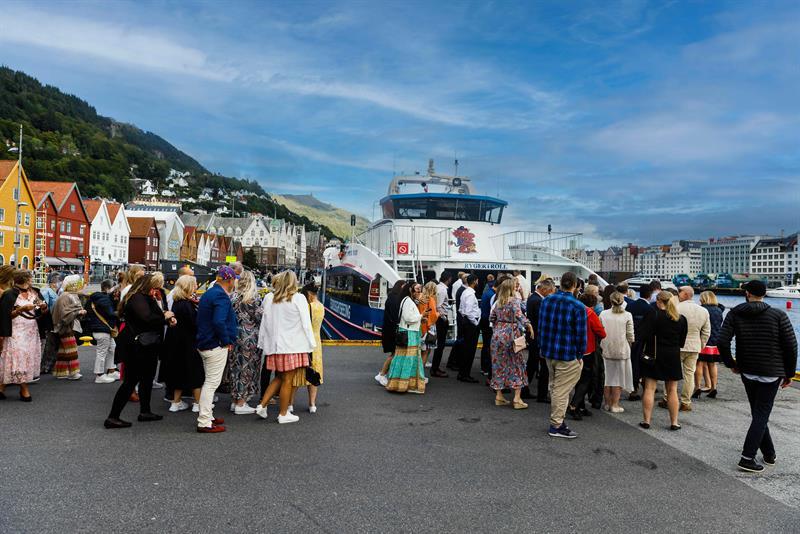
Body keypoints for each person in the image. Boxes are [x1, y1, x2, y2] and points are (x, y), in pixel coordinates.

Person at [718, 280, 798, 473]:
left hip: (747, 370)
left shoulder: (735, 313)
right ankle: (747, 457)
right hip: (771, 371)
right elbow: (791, 346)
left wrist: (731, 363)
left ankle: (769, 453)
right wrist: (788, 373)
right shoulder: (778, 315)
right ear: (764, 293)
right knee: (761, 414)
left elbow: (722, 341)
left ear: (747, 293)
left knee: (758, 413)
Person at [105, 274, 177, 429]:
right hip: (137, 346)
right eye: (155, 286)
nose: (156, 290)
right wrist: (165, 316)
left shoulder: (145, 297)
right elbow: (147, 318)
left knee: (147, 379)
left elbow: (153, 317)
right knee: (131, 381)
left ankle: (145, 411)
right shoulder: (137, 298)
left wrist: (166, 318)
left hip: (147, 345)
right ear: (147, 285)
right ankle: (113, 416)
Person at [256, 270, 315, 423]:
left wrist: (263, 343)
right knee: (288, 380)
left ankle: (262, 405)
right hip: (293, 346)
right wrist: (311, 344)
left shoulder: (269, 298)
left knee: (280, 378)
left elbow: (264, 323)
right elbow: (306, 323)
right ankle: (283, 414)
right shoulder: (299, 298)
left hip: (275, 346)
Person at [538, 272, 586, 439]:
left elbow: (541, 326)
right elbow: (581, 335)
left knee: (555, 387)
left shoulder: (546, 300)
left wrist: (542, 348)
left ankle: (558, 421)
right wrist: (580, 354)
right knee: (561, 390)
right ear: (575, 285)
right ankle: (556, 424)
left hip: (549, 352)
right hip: (567, 354)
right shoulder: (578, 306)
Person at [195, 266, 239, 432]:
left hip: (205, 342)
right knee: (212, 383)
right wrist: (226, 340)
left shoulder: (210, 293)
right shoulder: (221, 296)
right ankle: (204, 421)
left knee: (209, 381)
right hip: (215, 344)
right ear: (230, 280)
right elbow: (218, 321)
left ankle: (208, 415)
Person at [639, 291, 688, 431]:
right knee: (672, 390)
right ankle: (674, 422)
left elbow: (643, 335)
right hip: (672, 355)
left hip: (653, 354)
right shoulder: (681, 319)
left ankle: (646, 420)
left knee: (649, 388)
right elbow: (682, 341)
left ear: (659, 301)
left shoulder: (653, 315)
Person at [0, 270, 46, 401]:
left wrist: (43, 307)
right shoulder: (9, 294)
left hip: (31, 330)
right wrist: (20, 310)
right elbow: (5, 315)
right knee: (17, 359)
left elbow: (42, 311)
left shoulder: (34, 292)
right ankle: (24, 389)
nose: (32, 280)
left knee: (26, 359)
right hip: (16, 331)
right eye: (30, 278)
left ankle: (1, 387)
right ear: (25, 280)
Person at [162, 275, 203, 413]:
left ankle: (176, 402)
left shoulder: (177, 302)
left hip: (176, 343)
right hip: (188, 343)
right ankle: (198, 403)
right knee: (195, 373)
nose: (197, 286)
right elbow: (194, 324)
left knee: (178, 373)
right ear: (189, 287)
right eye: (195, 284)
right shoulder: (187, 304)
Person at [489, 278, 533, 408]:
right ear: (511, 288)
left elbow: (491, 318)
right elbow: (520, 315)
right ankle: (517, 399)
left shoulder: (498, 303)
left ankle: (499, 396)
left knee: (498, 365)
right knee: (517, 364)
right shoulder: (514, 301)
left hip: (497, 336)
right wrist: (528, 325)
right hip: (511, 335)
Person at [664, 286, 710, 412]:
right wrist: (701, 345)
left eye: (679, 293)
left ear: (684, 294)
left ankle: (667, 397)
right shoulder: (703, 311)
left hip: (677, 345)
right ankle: (686, 401)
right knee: (689, 374)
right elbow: (706, 332)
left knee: (671, 373)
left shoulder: (676, 309)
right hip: (694, 345)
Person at [229, 270, 263, 414]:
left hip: (234, 335)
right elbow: (260, 318)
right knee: (247, 369)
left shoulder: (233, 297)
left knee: (235, 368)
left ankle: (235, 400)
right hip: (249, 337)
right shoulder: (253, 298)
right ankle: (241, 404)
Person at [568, 292, 606, 420]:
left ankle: (581, 406)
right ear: (593, 304)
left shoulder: (572, 310)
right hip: (587, 350)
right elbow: (602, 332)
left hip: (572, 348)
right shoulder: (590, 313)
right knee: (585, 380)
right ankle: (574, 405)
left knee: (577, 379)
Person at [384, 282, 425, 393]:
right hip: (409, 332)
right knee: (408, 360)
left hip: (408, 331)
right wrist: (421, 316)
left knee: (403, 358)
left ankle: (400, 384)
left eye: (420, 289)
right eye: (417, 289)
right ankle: (406, 385)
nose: (419, 292)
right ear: (410, 290)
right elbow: (408, 318)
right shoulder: (407, 301)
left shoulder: (407, 300)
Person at [290, 283, 325, 412]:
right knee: (314, 373)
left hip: (304, 343)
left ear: (309, 294)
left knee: (297, 375)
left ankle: (290, 404)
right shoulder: (321, 307)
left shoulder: (306, 307)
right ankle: (312, 404)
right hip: (317, 343)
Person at [599, 292, 635, 413]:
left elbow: (599, 331)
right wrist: (630, 344)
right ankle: (615, 404)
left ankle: (607, 403)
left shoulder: (603, 314)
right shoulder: (627, 315)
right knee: (618, 379)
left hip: (606, 348)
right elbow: (630, 335)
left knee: (607, 377)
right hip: (622, 349)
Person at [523, 278, 556, 402]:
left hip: (534, 336)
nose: (551, 294)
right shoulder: (538, 301)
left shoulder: (534, 298)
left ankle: (525, 389)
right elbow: (542, 320)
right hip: (538, 337)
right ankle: (540, 394)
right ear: (544, 289)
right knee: (541, 366)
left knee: (532, 364)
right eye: (551, 291)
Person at [51, 274, 87, 380]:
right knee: (72, 349)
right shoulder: (66, 296)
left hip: (67, 326)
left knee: (64, 350)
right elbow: (64, 314)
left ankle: (61, 372)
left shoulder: (67, 295)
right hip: (65, 327)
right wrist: (78, 312)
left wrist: (77, 312)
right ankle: (73, 373)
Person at [625, 284, 656, 401]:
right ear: (650, 295)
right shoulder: (650, 309)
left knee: (633, 363)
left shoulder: (630, 306)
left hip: (632, 339)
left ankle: (633, 388)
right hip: (645, 341)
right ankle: (645, 386)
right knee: (644, 363)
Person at [86, 279, 119, 384]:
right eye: (113, 287)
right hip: (102, 329)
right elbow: (110, 313)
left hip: (101, 329)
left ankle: (111, 370)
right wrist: (120, 312)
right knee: (102, 352)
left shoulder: (95, 298)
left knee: (112, 348)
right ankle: (99, 374)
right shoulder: (104, 299)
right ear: (107, 288)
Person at [694, 291, 724, 399]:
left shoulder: (702, 310)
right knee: (712, 365)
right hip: (715, 341)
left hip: (703, 340)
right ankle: (713, 387)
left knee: (699, 364)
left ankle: (697, 387)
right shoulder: (719, 310)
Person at [376, 281, 406, 386]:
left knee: (395, 353)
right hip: (392, 330)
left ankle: (386, 374)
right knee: (394, 353)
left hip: (389, 329)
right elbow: (395, 315)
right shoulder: (395, 299)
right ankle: (382, 374)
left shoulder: (392, 297)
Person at [456, 274, 481, 383]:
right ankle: (465, 374)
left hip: (466, 322)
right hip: (471, 323)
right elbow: (468, 312)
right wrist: (475, 323)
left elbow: (461, 310)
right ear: (475, 281)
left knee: (466, 349)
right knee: (470, 350)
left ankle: (462, 373)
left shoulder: (465, 292)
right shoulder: (470, 294)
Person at [430, 273, 452, 378]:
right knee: (440, 345)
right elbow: (438, 306)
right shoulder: (443, 290)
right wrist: (444, 318)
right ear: (449, 279)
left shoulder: (438, 287)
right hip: (441, 319)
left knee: (439, 345)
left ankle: (435, 367)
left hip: (438, 319)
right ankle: (435, 369)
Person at [446, 273, 470, 370]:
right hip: (462, 318)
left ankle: (453, 361)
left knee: (460, 340)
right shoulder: (463, 290)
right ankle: (454, 362)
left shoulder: (461, 289)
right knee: (460, 341)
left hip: (460, 317)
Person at [39, 272, 61, 374]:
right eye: (57, 281)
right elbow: (44, 306)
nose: (59, 283)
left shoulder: (57, 292)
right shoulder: (46, 291)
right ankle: (44, 367)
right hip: (49, 321)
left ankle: (50, 366)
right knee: (49, 345)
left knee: (53, 345)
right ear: (52, 282)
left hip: (55, 322)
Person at [417, 281, 439, 372]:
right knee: (426, 352)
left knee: (420, 351)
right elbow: (433, 315)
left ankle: (417, 373)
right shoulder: (431, 299)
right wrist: (439, 313)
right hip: (427, 327)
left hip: (419, 326)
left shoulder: (420, 298)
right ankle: (420, 375)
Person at [479, 280, 495, 377]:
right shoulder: (492, 295)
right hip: (488, 322)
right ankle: (487, 367)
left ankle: (484, 367)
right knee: (488, 346)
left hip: (484, 320)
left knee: (485, 345)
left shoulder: (486, 293)